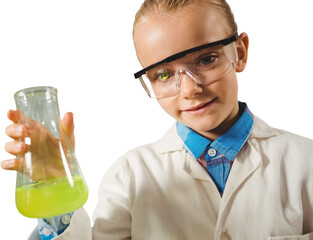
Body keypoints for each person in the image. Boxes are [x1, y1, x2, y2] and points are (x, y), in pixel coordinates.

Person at [2, 0, 313, 239]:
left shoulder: (306, 162)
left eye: (206, 59)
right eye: (164, 74)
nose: (190, 89)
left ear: (240, 52)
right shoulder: (130, 175)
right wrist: (58, 192)